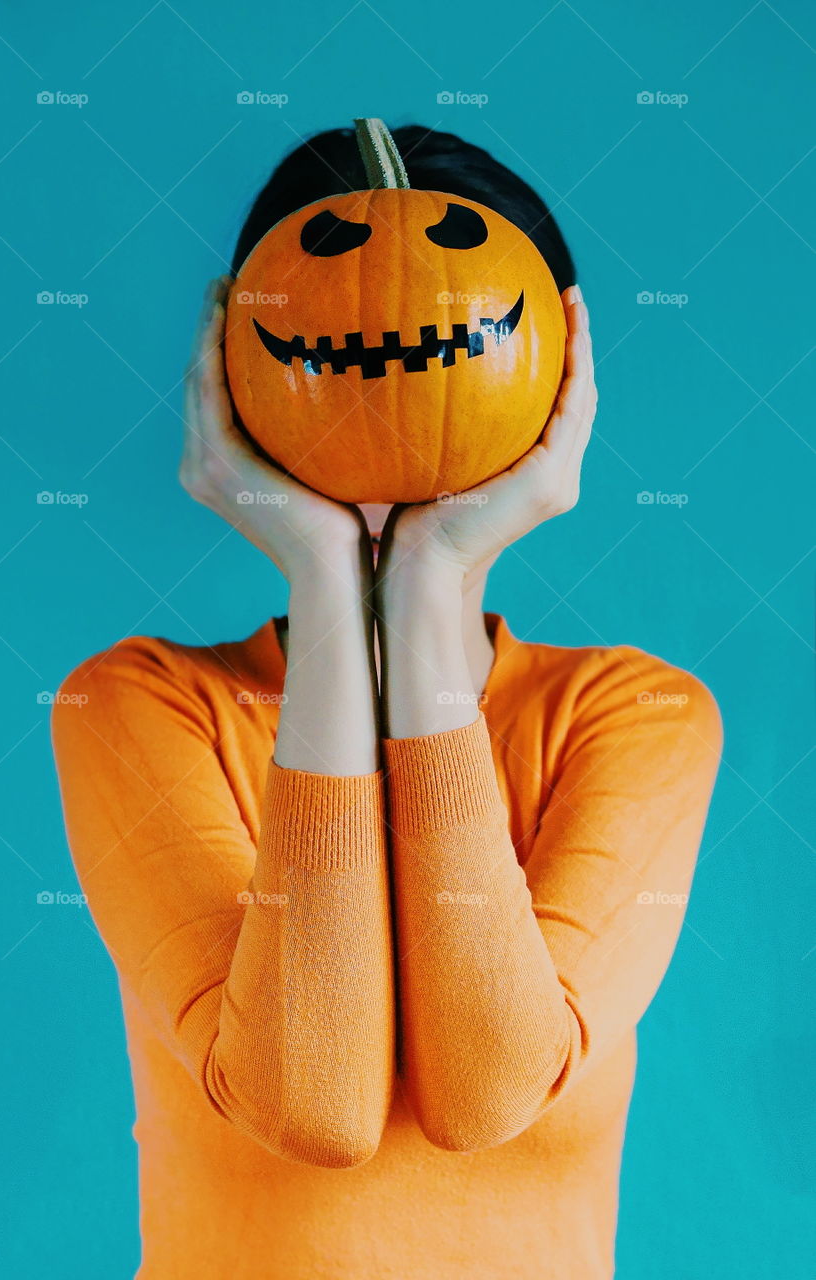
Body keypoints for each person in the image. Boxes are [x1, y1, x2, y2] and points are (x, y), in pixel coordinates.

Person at [51, 124, 723, 1280]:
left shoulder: (638, 715)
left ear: (558, 367)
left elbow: (489, 1089)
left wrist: (423, 580)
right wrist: (328, 575)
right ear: (236, 363)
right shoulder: (139, 704)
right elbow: (309, 1103)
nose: (385, 369)